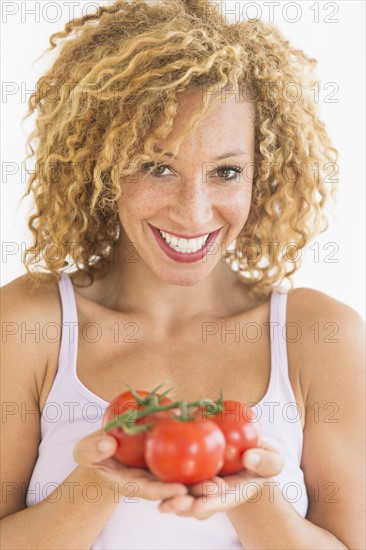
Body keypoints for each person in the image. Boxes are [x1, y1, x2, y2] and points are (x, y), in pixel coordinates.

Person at [1, 0, 364, 548]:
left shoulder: (320, 335)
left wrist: (249, 490)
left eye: (225, 171)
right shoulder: (29, 323)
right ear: (99, 168)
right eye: (157, 167)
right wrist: (103, 475)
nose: (194, 213)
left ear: (260, 175)